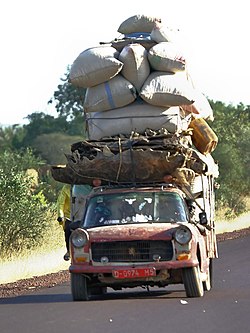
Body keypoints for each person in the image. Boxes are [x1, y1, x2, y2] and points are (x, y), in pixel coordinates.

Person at [57, 184, 71, 261]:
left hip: (84, 215)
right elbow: (60, 203)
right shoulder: (66, 188)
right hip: (69, 216)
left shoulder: (84, 187)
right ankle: (69, 251)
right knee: (68, 229)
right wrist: (60, 216)